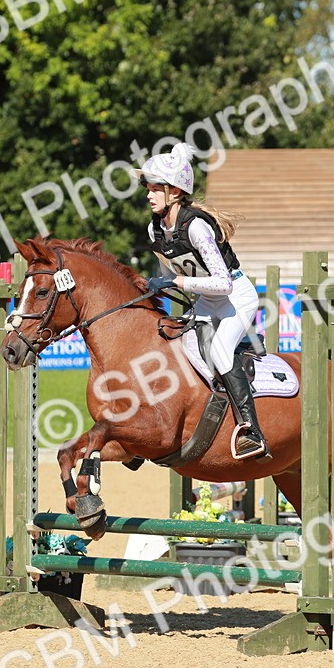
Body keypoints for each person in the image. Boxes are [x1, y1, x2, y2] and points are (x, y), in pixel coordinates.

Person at [133, 142, 269, 461]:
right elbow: (173, 276)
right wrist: (153, 285)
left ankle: (251, 429)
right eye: (148, 188)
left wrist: (176, 281)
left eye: (156, 189)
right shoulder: (157, 228)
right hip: (207, 302)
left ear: (175, 192)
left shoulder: (196, 227)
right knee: (177, 351)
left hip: (236, 296)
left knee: (220, 352)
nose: (148, 195)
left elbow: (221, 282)